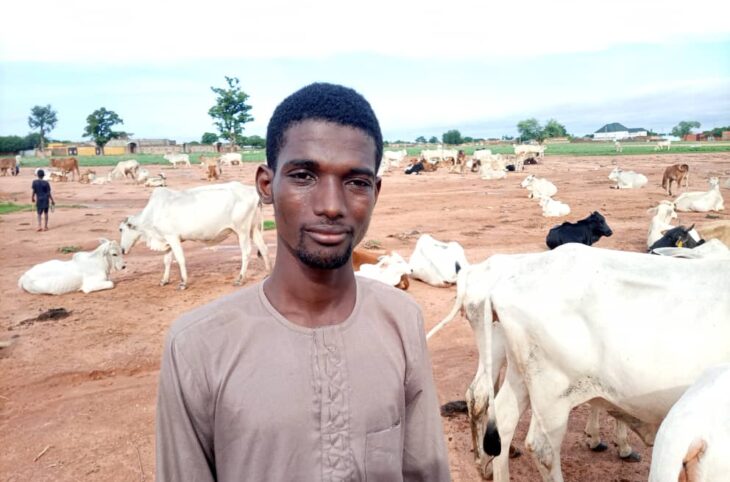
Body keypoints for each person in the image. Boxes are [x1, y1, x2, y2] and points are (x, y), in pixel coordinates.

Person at [156, 83, 451, 481]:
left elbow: (425, 471)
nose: (331, 205)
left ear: (375, 192)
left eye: (356, 182)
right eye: (304, 176)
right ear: (266, 185)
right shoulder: (197, 346)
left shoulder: (401, 321)